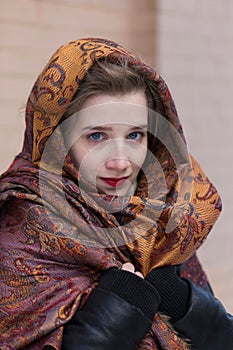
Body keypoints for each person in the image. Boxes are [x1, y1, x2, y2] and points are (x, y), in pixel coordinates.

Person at [0, 38, 232, 350]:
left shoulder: (157, 220)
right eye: (97, 136)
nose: (122, 162)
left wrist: (187, 305)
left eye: (135, 135)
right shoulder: (20, 228)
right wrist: (115, 315)